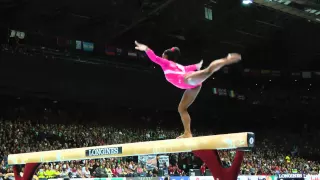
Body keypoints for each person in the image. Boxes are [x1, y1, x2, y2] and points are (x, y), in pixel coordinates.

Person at [134, 41, 241, 138]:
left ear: (165, 56)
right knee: (181, 108)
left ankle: (226, 60)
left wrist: (146, 49)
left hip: (187, 80)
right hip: (191, 85)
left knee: (208, 71)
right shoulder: (177, 66)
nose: (161, 56)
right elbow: (188, 68)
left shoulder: (166, 63)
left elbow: (154, 58)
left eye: (163, 55)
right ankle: (187, 133)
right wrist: (196, 65)